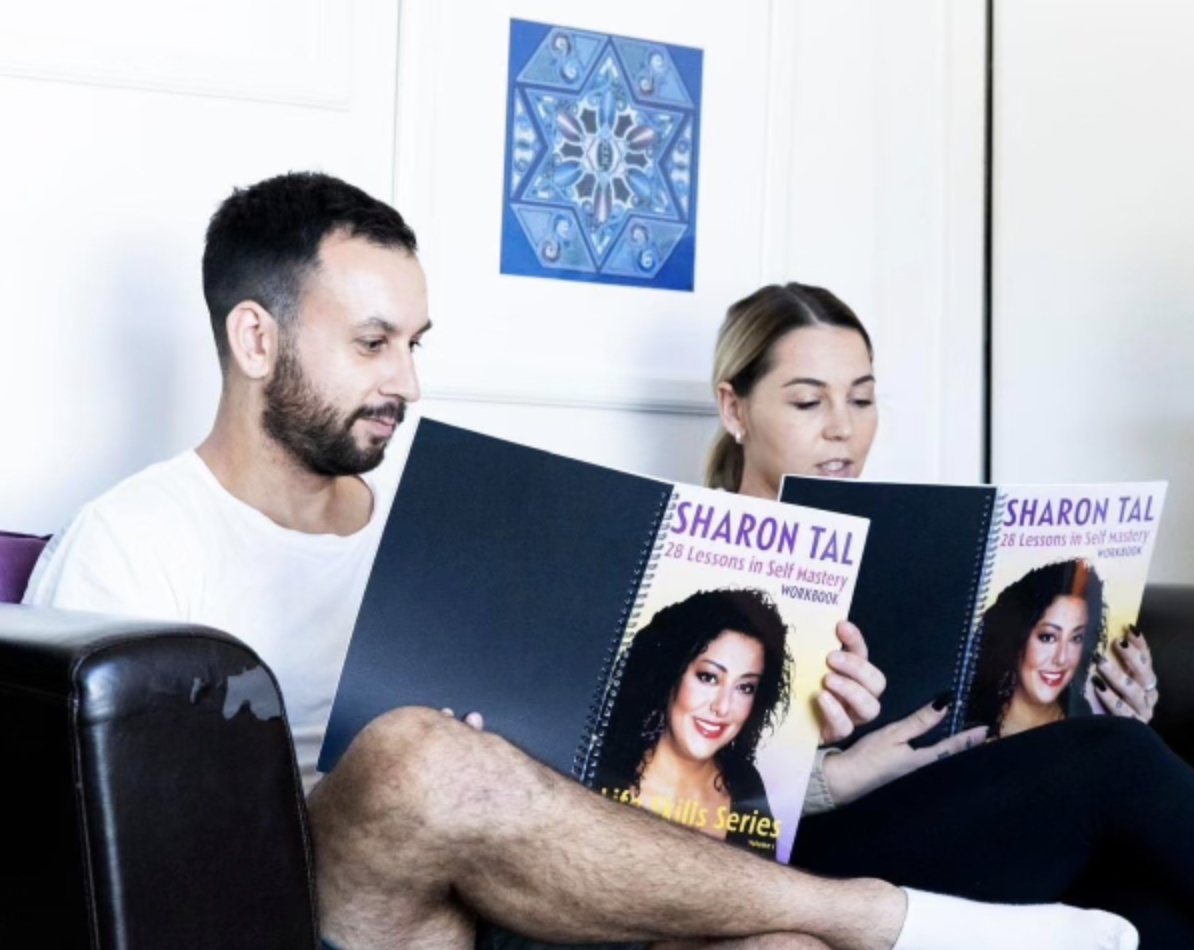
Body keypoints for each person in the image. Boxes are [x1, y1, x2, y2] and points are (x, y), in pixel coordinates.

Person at [22, 173, 1141, 950]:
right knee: (415, 753)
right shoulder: (130, 545)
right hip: (342, 906)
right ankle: (883, 915)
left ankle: (833, 920)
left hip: (531, 887)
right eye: (371, 343)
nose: (407, 380)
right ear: (255, 339)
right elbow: (118, 862)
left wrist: (819, 775)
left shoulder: (446, 515)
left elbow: (601, 763)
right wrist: (440, 783)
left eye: (414, 343)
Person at [705, 280, 1194, 946]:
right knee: (1120, 758)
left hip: (950, 815)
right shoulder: (697, 563)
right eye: (808, 401)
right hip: (805, 852)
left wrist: (1092, 704)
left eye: (862, 399)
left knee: (1154, 903)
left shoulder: (909, 541)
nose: (843, 427)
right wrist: (820, 770)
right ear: (734, 408)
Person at [595, 588, 791, 852]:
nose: (723, 707)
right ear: (670, 674)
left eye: (745, 687)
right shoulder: (600, 773)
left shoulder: (747, 788)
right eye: (708, 677)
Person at [967, 559, 1104, 738]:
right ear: (1017, 638)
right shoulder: (970, 724)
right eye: (1047, 637)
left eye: (1076, 638)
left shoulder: (1089, 721)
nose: (1061, 658)